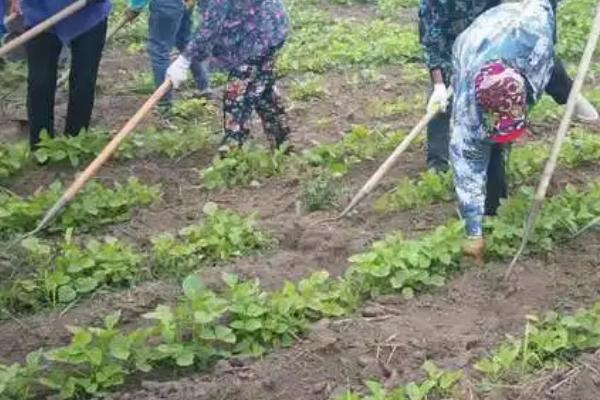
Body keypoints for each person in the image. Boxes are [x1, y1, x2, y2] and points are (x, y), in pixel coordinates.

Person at [419, 0, 599, 172]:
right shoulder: (433, 3)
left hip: (500, 31)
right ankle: (438, 163)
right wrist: (439, 85)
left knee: (535, 62)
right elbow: (431, 39)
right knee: (441, 102)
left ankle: (569, 95)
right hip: (454, 43)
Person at [450, 0, 560, 261]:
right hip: (472, 43)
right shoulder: (467, 113)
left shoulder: (536, 35)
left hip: (522, 21)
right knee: (477, 153)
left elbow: (542, 76)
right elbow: (467, 174)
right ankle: (485, 213)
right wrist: (473, 232)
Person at [166, 0, 291, 152]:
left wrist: (184, 60)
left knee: (237, 97)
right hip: (267, 29)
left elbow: (211, 26)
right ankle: (282, 142)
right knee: (262, 89)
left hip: (259, 35)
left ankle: (232, 154)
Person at [14, 0, 111, 149]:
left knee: (84, 80)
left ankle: (75, 140)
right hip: (41, 14)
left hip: (88, 13)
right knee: (40, 81)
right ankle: (41, 146)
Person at [126, 0, 211, 112]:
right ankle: (203, 86)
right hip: (186, 3)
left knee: (159, 49)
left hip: (165, 4)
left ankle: (164, 103)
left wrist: (135, 6)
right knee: (184, 42)